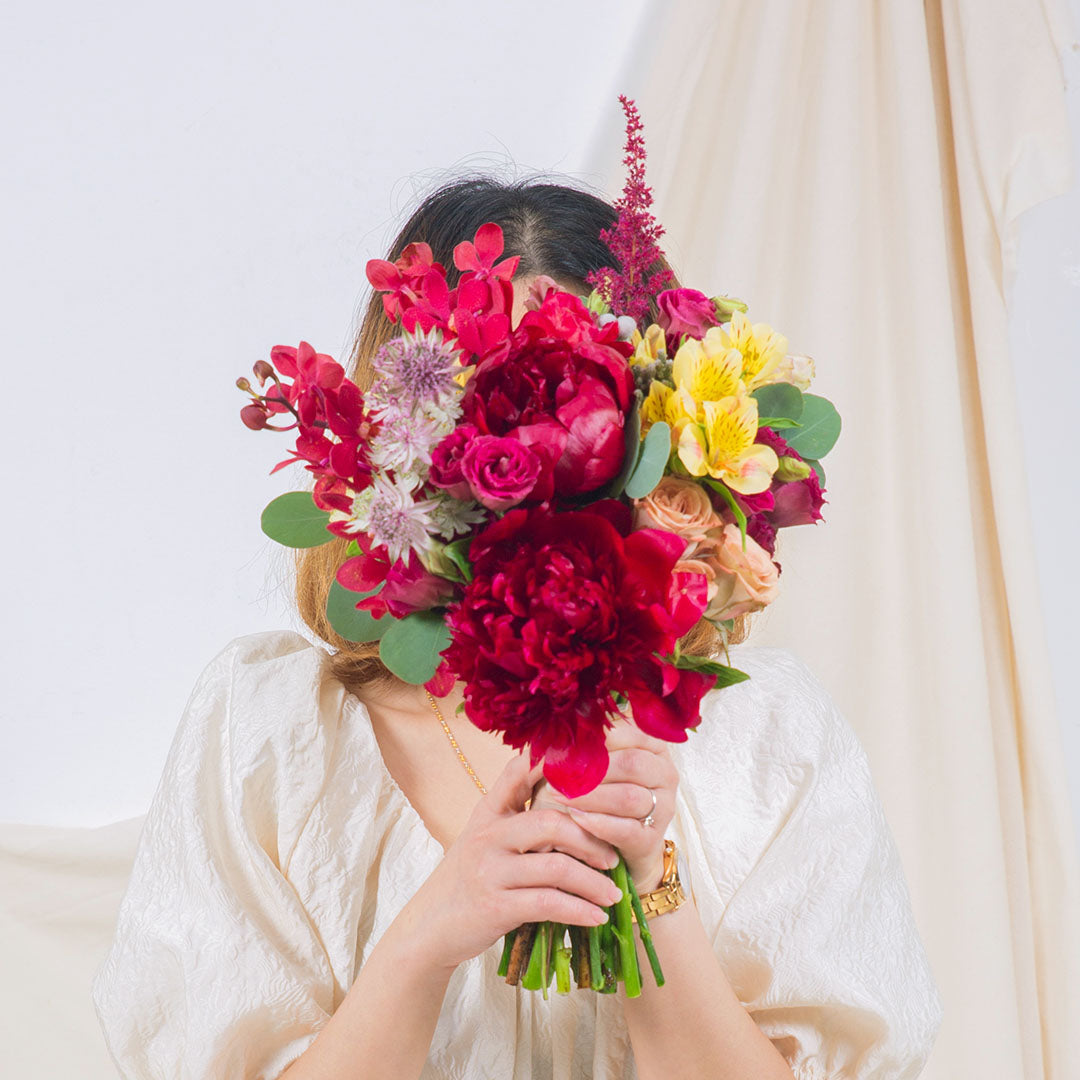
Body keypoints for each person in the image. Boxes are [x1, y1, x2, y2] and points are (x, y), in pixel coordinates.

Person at [91, 178, 945, 1080]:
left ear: (660, 428)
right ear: (403, 436)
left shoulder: (773, 739)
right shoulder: (263, 733)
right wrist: (429, 934)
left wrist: (650, 887)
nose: (542, 477)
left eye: (584, 413)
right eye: (498, 412)